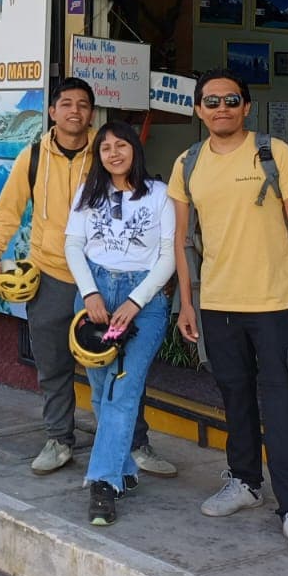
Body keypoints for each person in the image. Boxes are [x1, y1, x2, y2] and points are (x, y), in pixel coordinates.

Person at [0, 77, 177, 478]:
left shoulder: (106, 153)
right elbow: (7, 211)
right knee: (52, 362)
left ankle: (134, 443)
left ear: (92, 113)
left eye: (83, 104)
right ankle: (59, 438)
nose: (75, 111)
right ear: (52, 111)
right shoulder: (32, 157)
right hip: (52, 273)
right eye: (66, 103)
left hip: (107, 279)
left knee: (121, 366)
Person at [171, 68, 288, 560]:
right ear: (198, 109)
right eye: (211, 101)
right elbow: (181, 240)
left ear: (246, 107)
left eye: (231, 100)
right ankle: (244, 481)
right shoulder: (188, 163)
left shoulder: (274, 153)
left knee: (281, 404)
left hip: (275, 302)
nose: (221, 108)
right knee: (234, 396)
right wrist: (186, 302)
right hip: (217, 303)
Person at [65, 121, 176, 527]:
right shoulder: (88, 193)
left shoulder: (160, 194)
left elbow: (168, 255)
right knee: (100, 391)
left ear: (135, 149)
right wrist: (90, 292)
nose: (114, 153)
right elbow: (73, 245)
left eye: (121, 145)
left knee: (123, 391)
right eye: (106, 147)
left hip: (142, 299)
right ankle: (124, 468)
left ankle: (103, 482)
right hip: (95, 294)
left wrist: (135, 301)